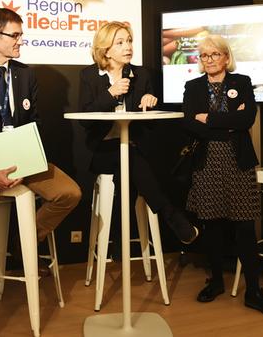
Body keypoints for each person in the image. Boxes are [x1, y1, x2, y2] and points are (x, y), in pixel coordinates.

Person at [0, 7, 81, 337]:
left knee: (70, 193)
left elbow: (33, 122)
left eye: (21, 34)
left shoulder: (25, 75)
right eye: (15, 35)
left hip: (23, 160)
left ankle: (25, 244)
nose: (22, 40)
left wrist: (28, 160)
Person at [181, 34, 263, 318]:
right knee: (211, 224)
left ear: (226, 57)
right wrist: (227, 124)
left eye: (214, 54)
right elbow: (189, 124)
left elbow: (246, 119)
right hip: (207, 161)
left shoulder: (242, 82)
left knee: (244, 226)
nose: (209, 60)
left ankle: (253, 291)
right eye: (204, 55)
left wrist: (210, 119)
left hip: (238, 160)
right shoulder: (193, 87)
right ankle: (215, 282)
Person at [78, 21, 198, 245]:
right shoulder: (89, 76)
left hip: (136, 148)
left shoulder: (141, 75)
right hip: (103, 150)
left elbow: (149, 124)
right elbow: (85, 120)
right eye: (120, 42)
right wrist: (110, 94)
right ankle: (171, 216)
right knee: (131, 162)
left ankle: (118, 242)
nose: (128, 47)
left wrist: (148, 101)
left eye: (129, 41)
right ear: (106, 49)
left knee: (131, 164)